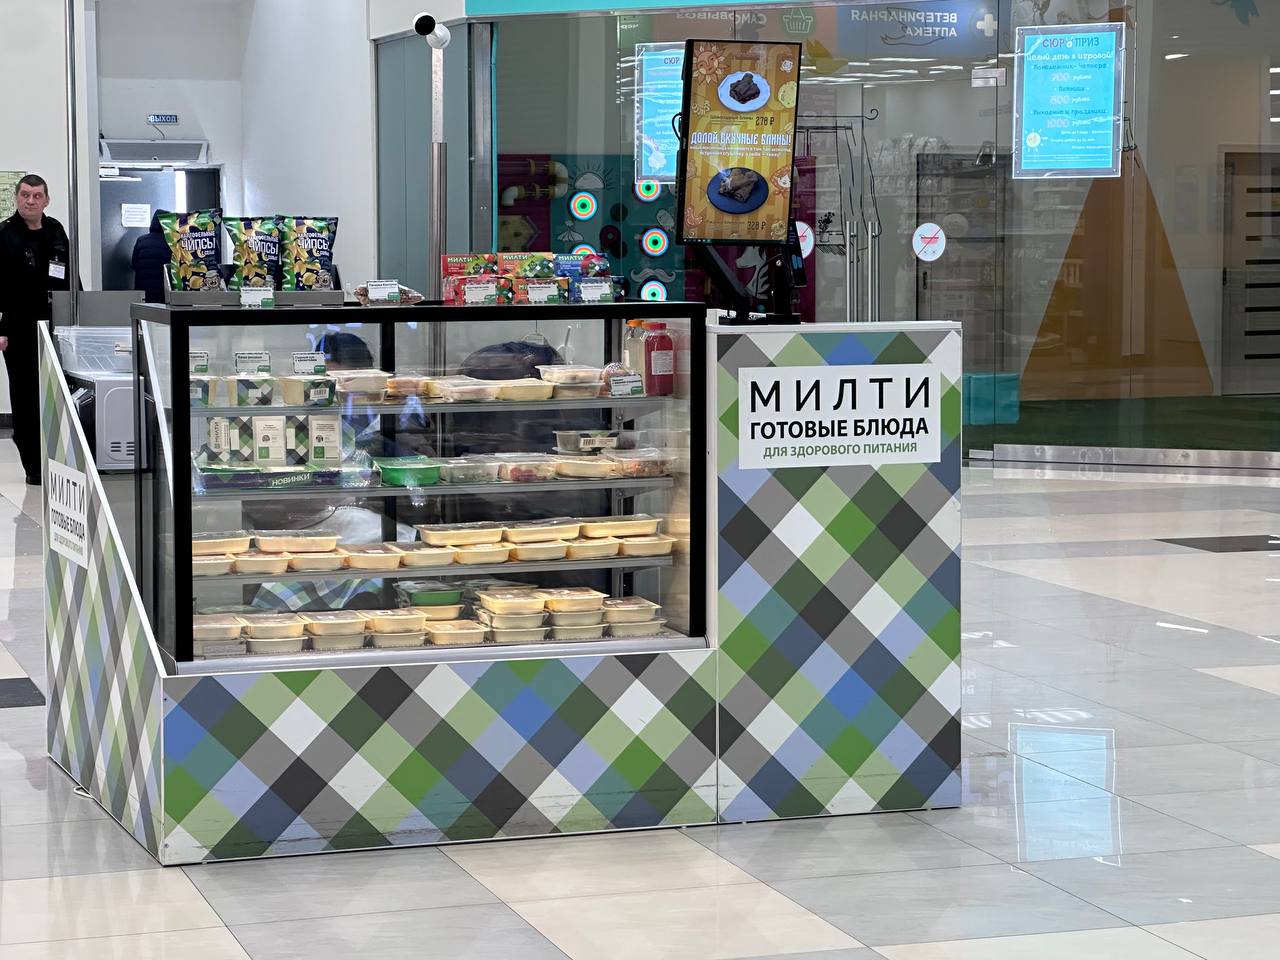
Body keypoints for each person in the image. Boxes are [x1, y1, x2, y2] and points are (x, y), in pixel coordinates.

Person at [0, 174, 72, 485]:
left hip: (57, 324)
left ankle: (61, 459)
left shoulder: (55, 230)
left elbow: (70, 276)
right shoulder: (5, 234)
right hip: (18, 328)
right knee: (26, 397)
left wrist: (78, 318)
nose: (31, 201)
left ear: (46, 200)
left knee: (58, 394)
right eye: (25, 195)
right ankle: (34, 466)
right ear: (17, 198)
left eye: (37, 195)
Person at [130, 210, 171, 303]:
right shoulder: (170, 242)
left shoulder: (141, 240)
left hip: (142, 290)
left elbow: (134, 264)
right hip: (162, 291)